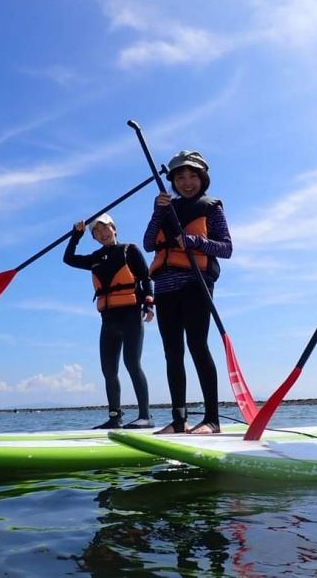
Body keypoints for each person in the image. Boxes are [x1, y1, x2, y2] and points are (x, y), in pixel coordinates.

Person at [143, 151, 233, 434]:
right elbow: (148, 244)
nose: (187, 182)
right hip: (165, 289)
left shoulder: (211, 207)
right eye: (180, 177)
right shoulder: (165, 208)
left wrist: (194, 240)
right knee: (172, 353)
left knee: (197, 347)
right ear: (173, 181)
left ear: (203, 178)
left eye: (193, 176)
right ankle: (180, 419)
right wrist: (158, 212)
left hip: (196, 284)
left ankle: (212, 420)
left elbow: (226, 248)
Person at [63, 213, 155, 429]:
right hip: (108, 321)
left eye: (105, 228)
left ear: (114, 229)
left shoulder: (129, 250)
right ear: (93, 237)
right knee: (108, 370)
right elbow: (68, 259)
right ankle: (115, 417)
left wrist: (149, 303)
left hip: (131, 316)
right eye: (96, 232)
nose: (102, 233)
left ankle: (146, 416)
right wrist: (76, 236)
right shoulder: (94, 258)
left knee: (132, 364)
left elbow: (146, 278)